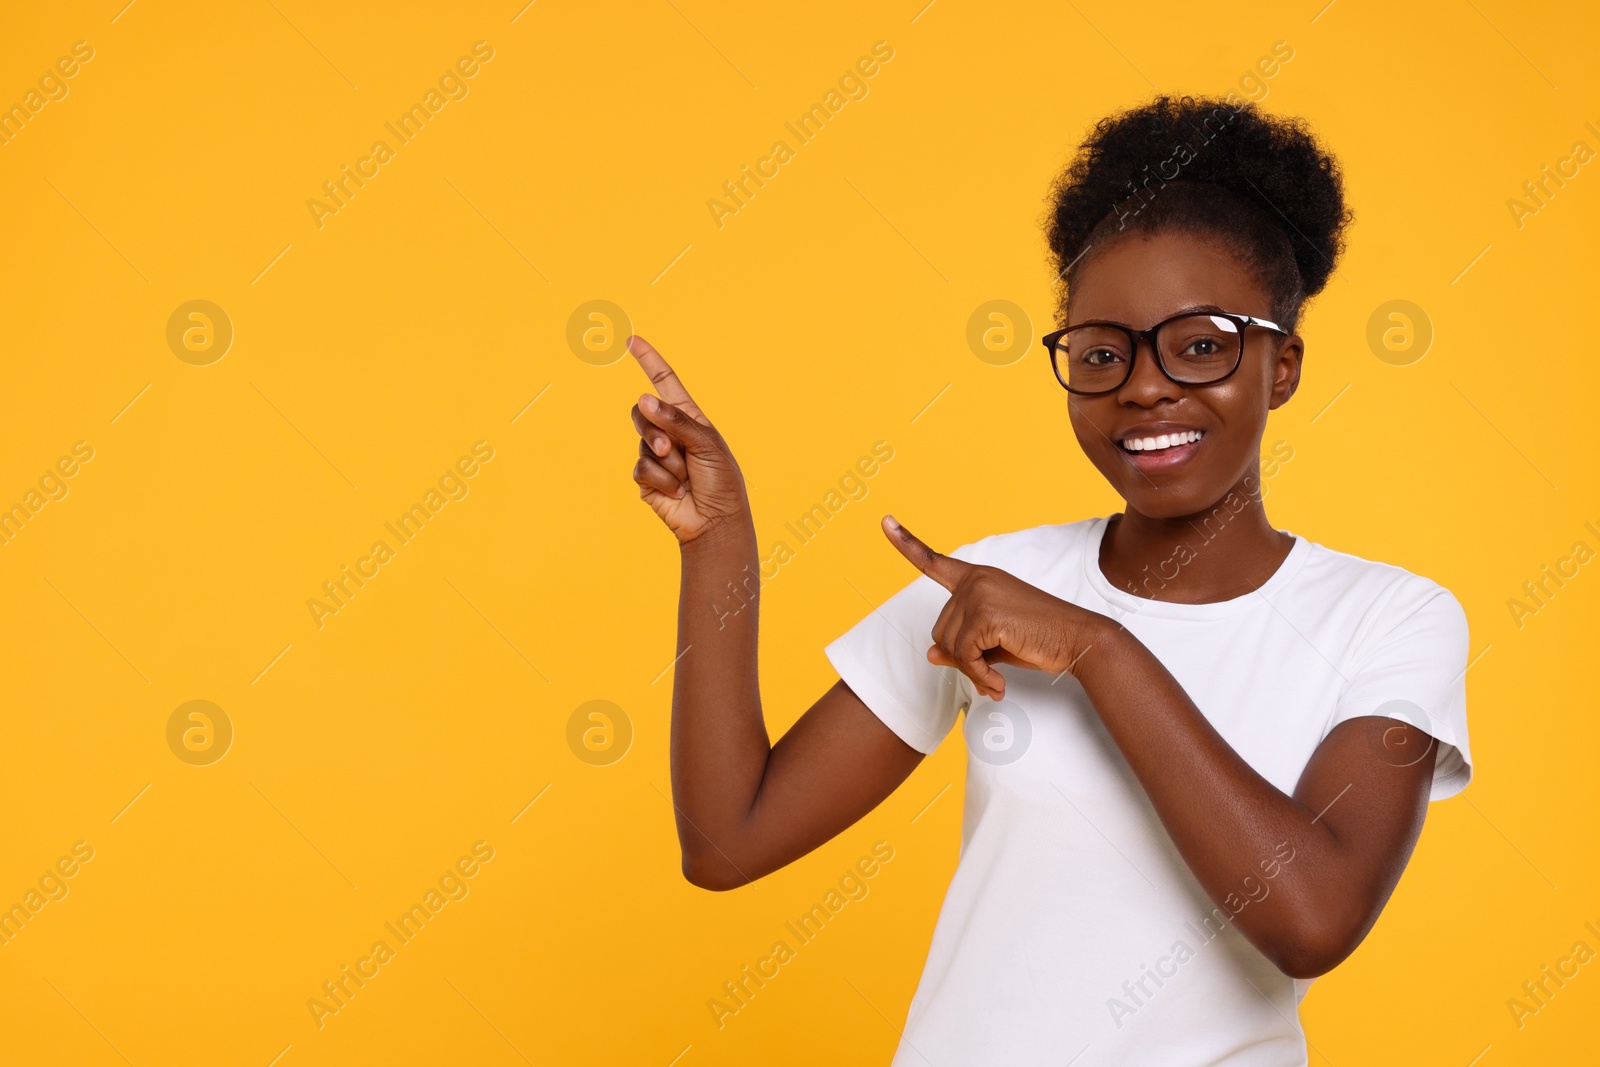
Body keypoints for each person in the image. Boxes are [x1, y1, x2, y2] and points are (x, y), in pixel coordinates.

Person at [625, 94, 1472, 1066]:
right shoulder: (997, 582)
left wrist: (1095, 648)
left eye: (1200, 344)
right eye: (1101, 353)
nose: (1143, 385)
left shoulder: (1386, 617)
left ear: (1279, 367)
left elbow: (1312, 916)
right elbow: (728, 843)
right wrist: (716, 542)